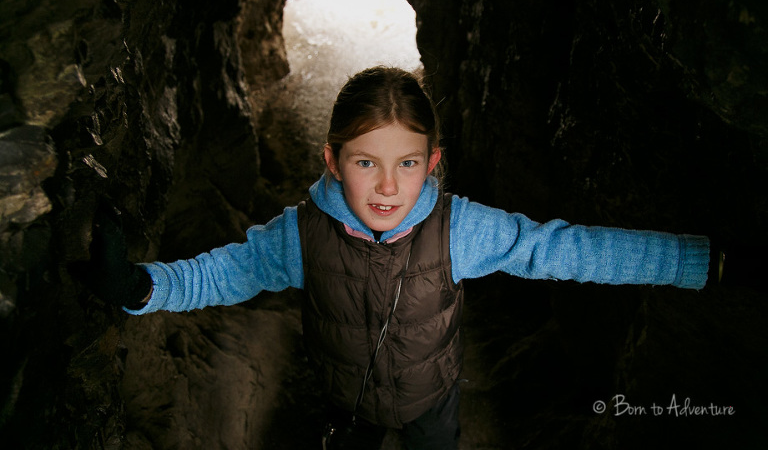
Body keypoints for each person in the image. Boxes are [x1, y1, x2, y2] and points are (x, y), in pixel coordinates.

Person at [85, 66, 714, 450]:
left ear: (431, 163)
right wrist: (142, 286)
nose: (388, 187)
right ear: (331, 161)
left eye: (407, 163)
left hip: (432, 399)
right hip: (344, 402)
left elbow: (564, 247)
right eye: (366, 162)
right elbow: (226, 271)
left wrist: (700, 261)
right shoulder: (300, 233)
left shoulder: (458, 229)